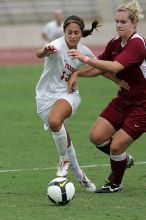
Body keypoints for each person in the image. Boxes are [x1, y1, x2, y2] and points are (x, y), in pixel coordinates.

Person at [68, 0, 145, 193]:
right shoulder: (114, 43)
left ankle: (115, 183)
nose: (118, 25)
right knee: (97, 136)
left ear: (134, 23)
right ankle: (124, 160)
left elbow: (115, 67)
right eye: (117, 21)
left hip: (143, 104)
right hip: (124, 99)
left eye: (123, 22)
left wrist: (84, 58)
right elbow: (99, 66)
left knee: (116, 146)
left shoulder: (137, 44)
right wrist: (77, 73)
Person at [36, 15, 102, 192]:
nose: (73, 36)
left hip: (68, 94)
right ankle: (82, 177)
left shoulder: (83, 50)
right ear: (64, 32)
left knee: (55, 122)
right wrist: (46, 50)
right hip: (44, 97)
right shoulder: (57, 45)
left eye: (76, 33)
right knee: (65, 138)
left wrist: (119, 81)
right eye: (69, 32)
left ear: (81, 33)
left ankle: (63, 159)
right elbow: (38, 53)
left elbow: (100, 66)